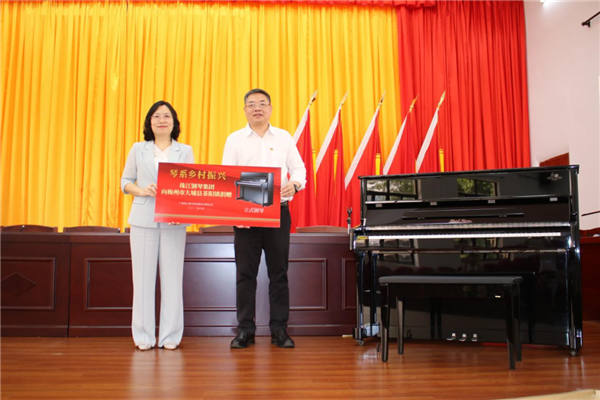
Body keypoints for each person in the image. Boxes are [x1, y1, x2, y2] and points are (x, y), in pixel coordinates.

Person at [222, 88, 306, 349]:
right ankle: (245, 330)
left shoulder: (284, 137)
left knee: (278, 273)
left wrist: (295, 184)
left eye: (261, 103)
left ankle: (279, 330)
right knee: (245, 274)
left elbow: (299, 169)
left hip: (277, 211)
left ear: (270, 108)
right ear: (244, 109)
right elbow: (227, 177)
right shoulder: (234, 140)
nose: (256, 108)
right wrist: (236, 212)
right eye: (251, 104)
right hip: (245, 214)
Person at [120, 100, 195, 351]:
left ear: (174, 122)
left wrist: (181, 211)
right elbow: (125, 182)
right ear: (149, 122)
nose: (162, 120)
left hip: (174, 221)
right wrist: (141, 190)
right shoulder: (138, 149)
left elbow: (190, 187)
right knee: (142, 280)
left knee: (173, 279)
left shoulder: (185, 150)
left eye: (166, 116)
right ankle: (143, 336)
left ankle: (170, 336)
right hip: (143, 220)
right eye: (156, 116)